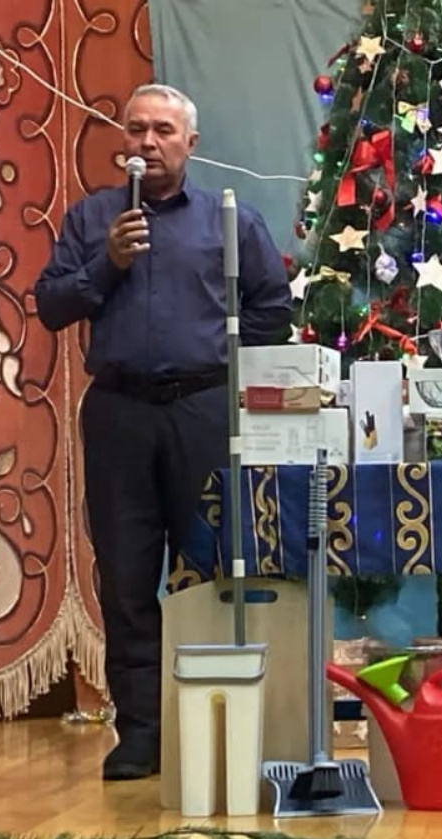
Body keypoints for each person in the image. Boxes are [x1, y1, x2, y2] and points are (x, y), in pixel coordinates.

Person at [34, 83, 292, 780]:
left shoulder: (229, 221)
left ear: (190, 144)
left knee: (209, 572)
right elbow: (51, 305)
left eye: (163, 131)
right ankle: (142, 734)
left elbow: (273, 307)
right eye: (136, 129)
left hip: (203, 413)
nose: (147, 143)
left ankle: (213, 725)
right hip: (119, 414)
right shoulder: (93, 219)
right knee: (125, 577)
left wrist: (223, 367)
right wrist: (107, 263)